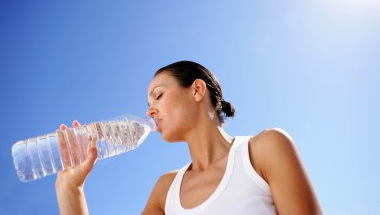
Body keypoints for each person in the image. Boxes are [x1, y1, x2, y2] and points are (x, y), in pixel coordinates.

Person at [55, 60, 323, 215]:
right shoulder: (165, 190)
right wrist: (70, 189)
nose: (149, 110)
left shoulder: (264, 150)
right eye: (148, 102)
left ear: (196, 90)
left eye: (158, 95)